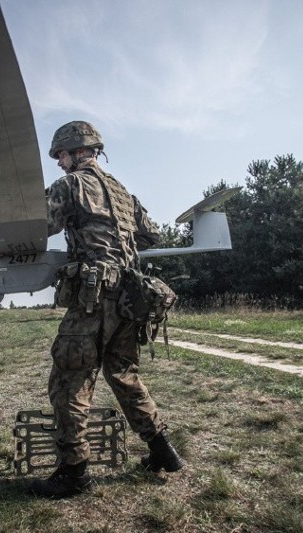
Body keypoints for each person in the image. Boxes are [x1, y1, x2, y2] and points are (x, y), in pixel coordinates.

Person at [29, 121, 184, 499]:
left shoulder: (70, 185)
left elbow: (39, 225)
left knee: (69, 382)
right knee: (124, 375)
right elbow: (152, 234)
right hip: (130, 299)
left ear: (73, 151)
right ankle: (163, 451)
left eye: (59, 155)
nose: (59, 163)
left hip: (92, 299)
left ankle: (74, 473)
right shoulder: (123, 192)